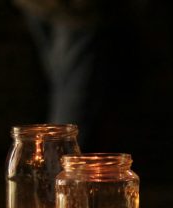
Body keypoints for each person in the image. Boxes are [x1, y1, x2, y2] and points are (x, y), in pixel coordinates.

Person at [13, 0, 143, 149]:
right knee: (73, 99)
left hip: (47, 6)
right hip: (77, 9)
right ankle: (59, 164)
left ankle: (55, 162)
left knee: (65, 91)